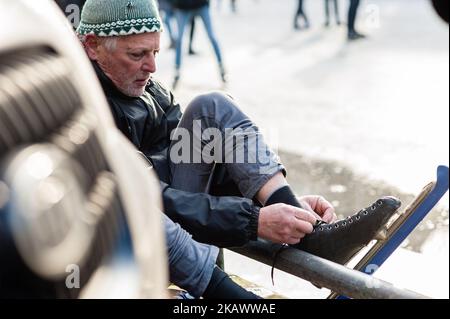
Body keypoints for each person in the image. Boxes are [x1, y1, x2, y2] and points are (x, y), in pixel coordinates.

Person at [77, 0, 401, 277]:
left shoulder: (148, 88)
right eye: (137, 55)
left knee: (211, 105)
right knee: (209, 109)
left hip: (182, 216)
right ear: (92, 46)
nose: (152, 66)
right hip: (143, 238)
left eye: (155, 51)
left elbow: (200, 162)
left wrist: (277, 205)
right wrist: (253, 219)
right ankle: (313, 239)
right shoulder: (84, 110)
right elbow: (151, 198)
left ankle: (306, 228)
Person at [171, 0, 226, 88]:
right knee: (179, 40)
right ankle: (176, 72)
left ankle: (222, 68)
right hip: (183, 6)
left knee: (212, 36)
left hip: (200, 4)